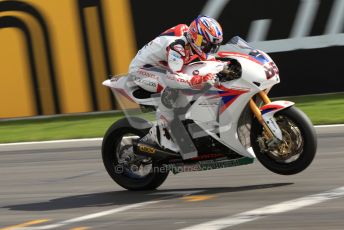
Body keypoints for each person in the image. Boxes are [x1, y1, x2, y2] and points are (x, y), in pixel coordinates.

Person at [128, 16, 224, 159]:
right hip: (142, 70)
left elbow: (212, 60)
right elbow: (173, 78)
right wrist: (200, 79)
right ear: (197, 38)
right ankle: (160, 133)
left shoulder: (191, 41)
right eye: (208, 45)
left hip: (163, 65)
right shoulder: (177, 46)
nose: (210, 49)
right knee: (172, 88)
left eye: (214, 46)